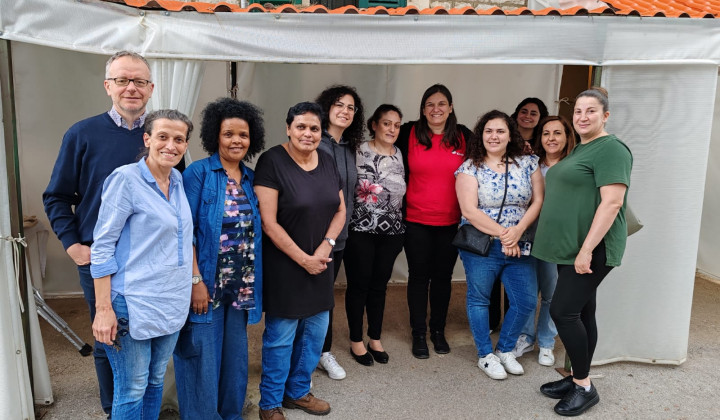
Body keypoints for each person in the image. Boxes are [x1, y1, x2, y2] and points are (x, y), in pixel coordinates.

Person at [42, 50, 155, 417]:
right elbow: (57, 196)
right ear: (108, 86)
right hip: (99, 258)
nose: (131, 88)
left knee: (145, 334)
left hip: (149, 258)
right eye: (122, 80)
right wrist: (73, 245)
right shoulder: (82, 134)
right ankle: (114, 408)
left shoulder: (163, 136)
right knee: (108, 338)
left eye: (139, 81)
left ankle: (139, 403)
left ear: (151, 88)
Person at [533, 87, 632, 416]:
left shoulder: (611, 149)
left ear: (605, 115)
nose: (582, 117)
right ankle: (577, 378)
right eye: (578, 111)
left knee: (563, 312)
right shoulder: (580, 149)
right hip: (571, 247)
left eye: (591, 111)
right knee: (583, 312)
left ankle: (585, 387)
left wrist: (587, 249)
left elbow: (612, 201)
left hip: (591, 248)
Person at [90, 110, 194, 419]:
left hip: (171, 301)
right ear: (147, 139)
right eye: (163, 137)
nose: (170, 146)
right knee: (132, 389)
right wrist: (104, 308)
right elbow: (102, 246)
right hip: (131, 303)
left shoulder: (177, 179)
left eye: (179, 139)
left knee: (154, 382)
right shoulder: (125, 179)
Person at [174, 98, 265, 419]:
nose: (236, 140)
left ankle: (230, 414)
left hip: (240, 288)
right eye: (229, 134)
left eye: (243, 134)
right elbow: (185, 233)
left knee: (234, 361)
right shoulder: (198, 174)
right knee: (201, 359)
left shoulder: (253, 178)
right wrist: (195, 281)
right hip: (206, 285)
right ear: (216, 136)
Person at [254, 102, 346, 420]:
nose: (308, 133)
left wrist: (326, 246)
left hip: (321, 260)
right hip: (286, 264)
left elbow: (340, 210)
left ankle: (297, 392)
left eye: (314, 128)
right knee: (281, 337)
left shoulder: (328, 160)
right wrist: (302, 258)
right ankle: (269, 403)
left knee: (315, 332)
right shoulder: (272, 161)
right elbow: (269, 222)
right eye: (301, 127)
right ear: (289, 128)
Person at [455, 110, 544, 380]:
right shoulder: (469, 167)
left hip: (520, 242)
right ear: (481, 135)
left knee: (526, 301)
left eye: (500, 131)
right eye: (488, 131)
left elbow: (538, 200)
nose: (494, 136)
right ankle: (485, 355)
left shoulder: (528, 163)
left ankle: (505, 349)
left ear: (510, 135)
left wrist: (517, 232)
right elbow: (469, 210)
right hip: (483, 244)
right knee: (479, 299)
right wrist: (506, 235)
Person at [396, 84, 472, 359]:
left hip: (451, 222)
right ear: (423, 108)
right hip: (416, 219)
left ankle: (438, 331)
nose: (436, 109)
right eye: (430, 104)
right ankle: (418, 333)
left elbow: (490, 155)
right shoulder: (409, 132)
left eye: (442, 104)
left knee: (442, 278)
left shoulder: (463, 136)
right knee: (418, 277)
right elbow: (381, 142)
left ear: (450, 107)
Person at [343, 104, 406, 366]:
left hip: (392, 232)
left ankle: (375, 338)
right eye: (387, 123)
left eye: (397, 125)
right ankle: (356, 340)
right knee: (359, 285)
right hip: (360, 229)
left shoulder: (400, 153)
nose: (392, 129)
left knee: (379, 287)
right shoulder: (356, 150)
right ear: (374, 125)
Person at [512, 116, 576, 367]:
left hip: (556, 239)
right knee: (526, 291)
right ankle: (525, 337)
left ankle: (547, 342)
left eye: (557, 133)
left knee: (551, 293)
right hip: (529, 234)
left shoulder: (573, 165)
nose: (551, 138)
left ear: (566, 136)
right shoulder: (530, 164)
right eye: (546, 133)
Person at [314, 85, 365, 380]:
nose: (345, 111)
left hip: (341, 236)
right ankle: (307, 355)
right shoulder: (315, 142)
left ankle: (323, 352)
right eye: (339, 105)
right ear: (326, 107)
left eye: (350, 107)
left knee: (326, 296)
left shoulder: (348, 147)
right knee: (312, 297)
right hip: (317, 236)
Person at [489, 97, 549, 331]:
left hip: (531, 218)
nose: (528, 116)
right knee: (494, 275)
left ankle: (518, 326)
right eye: (524, 111)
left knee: (520, 278)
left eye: (534, 113)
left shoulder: (543, 144)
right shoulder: (503, 141)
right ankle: (494, 320)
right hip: (499, 222)